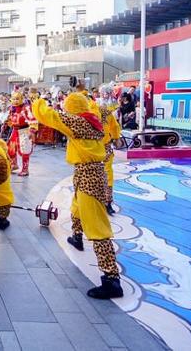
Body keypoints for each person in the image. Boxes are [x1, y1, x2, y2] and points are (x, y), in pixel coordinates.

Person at [32, 93, 123, 299]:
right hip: (86, 172)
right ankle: (76, 236)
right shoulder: (92, 120)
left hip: (89, 175)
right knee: (77, 208)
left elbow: (49, 116)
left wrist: (36, 99)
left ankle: (111, 279)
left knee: (97, 227)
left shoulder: (78, 122)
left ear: (72, 108)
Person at [5, 89, 36, 177]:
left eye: (17, 99)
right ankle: (14, 164)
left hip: (24, 131)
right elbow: (10, 119)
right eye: (14, 99)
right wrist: (7, 123)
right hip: (15, 131)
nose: (15, 101)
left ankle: (25, 169)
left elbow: (32, 118)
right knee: (10, 148)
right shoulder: (12, 108)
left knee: (24, 150)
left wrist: (32, 130)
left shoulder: (26, 108)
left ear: (22, 99)